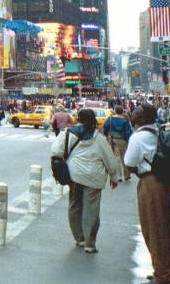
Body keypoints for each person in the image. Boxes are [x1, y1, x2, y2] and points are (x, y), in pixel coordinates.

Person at [51, 108, 120, 254]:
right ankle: (90, 244)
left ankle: (79, 238)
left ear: (78, 118)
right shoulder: (99, 137)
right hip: (94, 177)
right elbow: (110, 159)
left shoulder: (68, 134)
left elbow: (56, 151)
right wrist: (114, 177)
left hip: (74, 175)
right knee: (91, 209)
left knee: (75, 205)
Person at [124, 104, 170, 284]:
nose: (133, 113)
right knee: (165, 227)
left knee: (154, 229)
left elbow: (129, 163)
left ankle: (163, 277)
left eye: (137, 111)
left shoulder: (138, 137)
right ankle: (162, 270)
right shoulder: (158, 132)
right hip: (168, 182)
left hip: (151, 183)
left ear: (143, 117)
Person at [102, 105, 133, 182]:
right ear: (122, 111)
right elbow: (127, 132)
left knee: (115, 158)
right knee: (124, 158)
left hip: (111, 139)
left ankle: (118, 176)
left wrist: (107, 135)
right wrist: (128, 141)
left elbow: (104, 128)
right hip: (122, 140)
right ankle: (126, 175)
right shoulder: (124, 121)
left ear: (115, 111)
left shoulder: (109, 119)